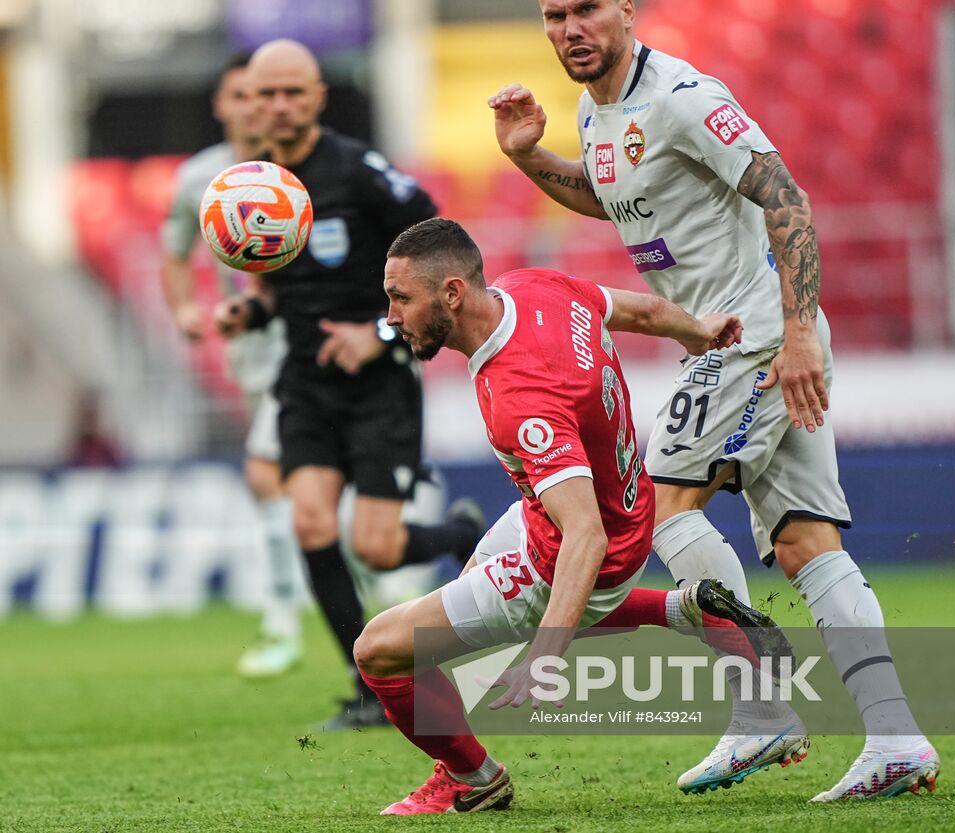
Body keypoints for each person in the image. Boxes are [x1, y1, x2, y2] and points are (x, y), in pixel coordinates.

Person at [488, 0, 938, 801]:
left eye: (587, 10)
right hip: (735, 338)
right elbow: (612, 195)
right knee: (807, 539)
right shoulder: (594, 110)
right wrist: (526, 157)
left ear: (627, 12)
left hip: (756, 333)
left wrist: (798, 332)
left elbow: (786, 198)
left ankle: (761, 705)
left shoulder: (686, 98)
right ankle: (897, 738)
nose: (572, 28)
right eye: (555, 16)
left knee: (661, 505)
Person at [354, 217, 794, 815]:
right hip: (622, 506)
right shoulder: (532, 288)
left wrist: (546, 653)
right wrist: (698, 330)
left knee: (379, 651)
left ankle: (472, 776)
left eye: (401, 298)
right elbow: (636, 311)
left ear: (452, 293)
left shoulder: (522, 397)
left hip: (581, 545)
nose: (391, 315)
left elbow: (582, 533)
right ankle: (686, 609)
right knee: (469, 594)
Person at [215, 39, 487, 729]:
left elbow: (444, 245)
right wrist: (248, 311)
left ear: (317, 97)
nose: (277, 105)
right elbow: (277, 290)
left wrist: (381, 331)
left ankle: (456, 534)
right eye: (263, 94)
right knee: (307, 519)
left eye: (291, 93)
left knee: (377, 546)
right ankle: (367, 684)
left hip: (380, 383)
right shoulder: (253, 187)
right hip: (305, 382)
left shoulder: (358, 172)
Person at [160, 53, 304, 678]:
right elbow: (173, 253)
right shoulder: (199, 179)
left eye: (260, 94)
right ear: (223, 104)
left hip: (312, 343)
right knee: (307, 487)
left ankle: (282, 620)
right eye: (239, 96)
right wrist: (189, 309)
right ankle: (386, 578)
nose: (252, 106)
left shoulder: (301, 166)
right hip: (252, 351)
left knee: (266, 473)